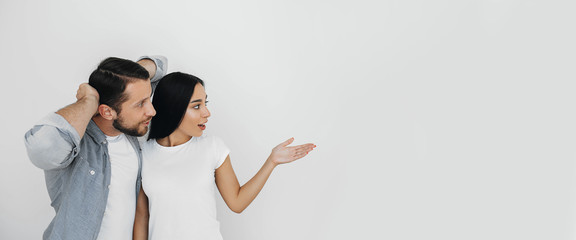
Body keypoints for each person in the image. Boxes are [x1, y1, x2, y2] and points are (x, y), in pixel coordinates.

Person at [133, 72, 316, 240]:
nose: (207, 113)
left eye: (205, 103)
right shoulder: (144, 153)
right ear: (173, 108)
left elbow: (237, 203)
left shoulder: (212, 147)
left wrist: (272, 161)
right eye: (197, 106)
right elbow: (142, 216)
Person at [24, 55, 167, 240]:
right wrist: (89, 100)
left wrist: (126, 77)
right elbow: (41, 147)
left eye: (148, 99)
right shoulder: (76, 145)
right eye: (140, 104)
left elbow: (160, 64)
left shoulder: (129, 134)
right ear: (106, 111)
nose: (151, 111)